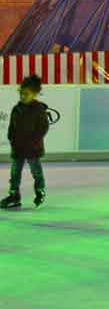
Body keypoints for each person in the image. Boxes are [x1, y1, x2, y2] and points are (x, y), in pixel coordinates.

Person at [2, 75, 50, 210]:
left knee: (36, 172)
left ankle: (40, 192)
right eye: (21, 93)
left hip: (33, 149)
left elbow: (43, 128)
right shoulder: (16, 108)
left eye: (26, 94)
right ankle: (14, 195)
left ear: (34, 94)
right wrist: (12, 139)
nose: (23, 96)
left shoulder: (39, 109)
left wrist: (34, 142)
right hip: (18, 148)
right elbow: (12, 127)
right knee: (15, 173)